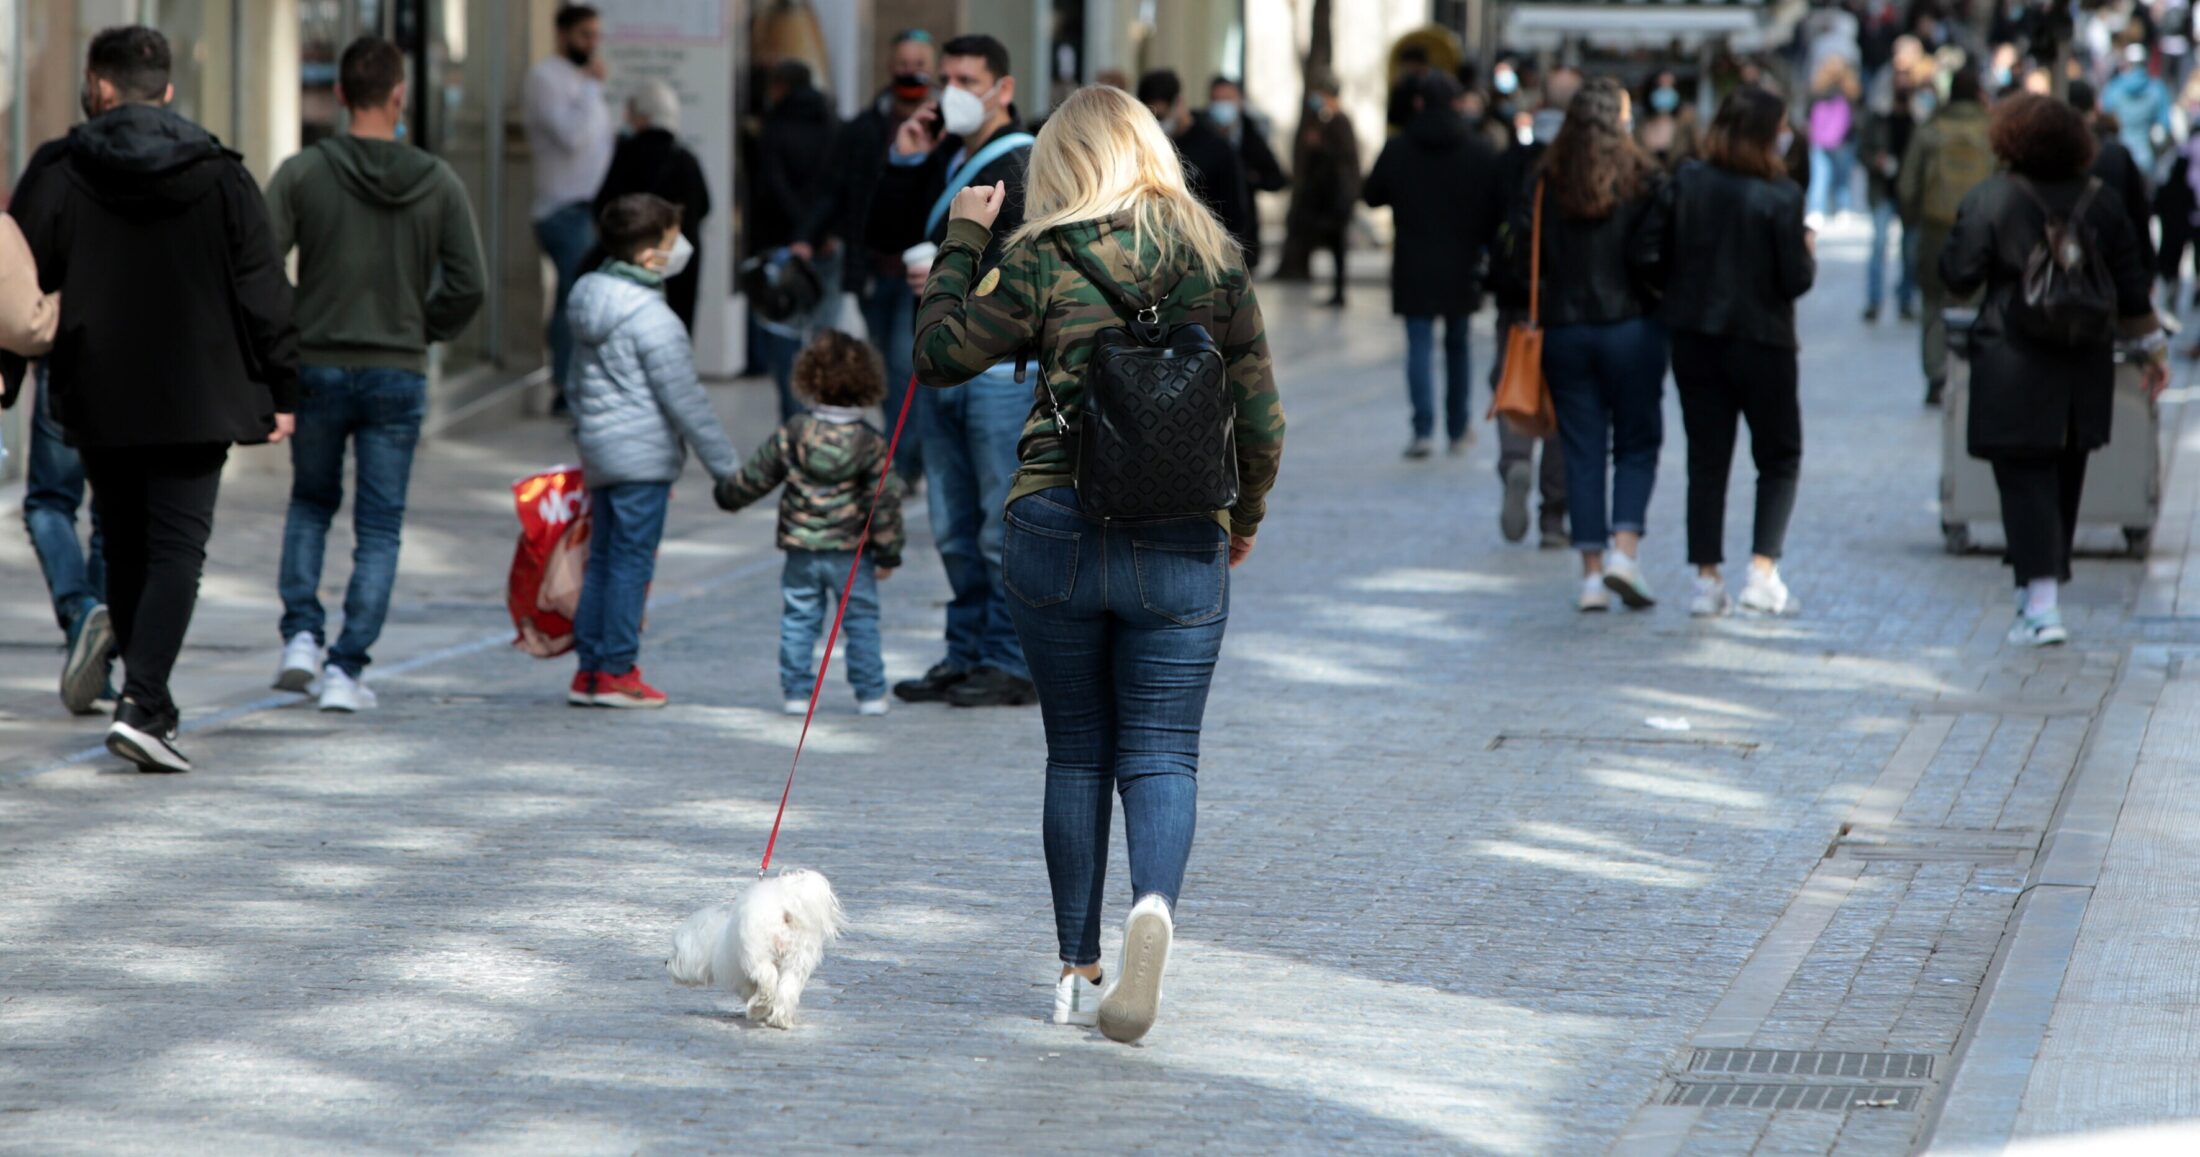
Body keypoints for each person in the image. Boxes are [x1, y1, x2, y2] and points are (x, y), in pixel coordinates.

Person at [911, 83, 1284, 1045]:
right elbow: (1260, 415)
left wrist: (962, 238)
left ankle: (1075, 962)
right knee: (1162, 751)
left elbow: (943, 354)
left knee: (1076, 749)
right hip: (1181, 536)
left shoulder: (1039, 254)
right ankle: (1151, 907)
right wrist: (1241, 516)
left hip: (1056, 525)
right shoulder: (1216, 259)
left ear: (1060, 162)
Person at [11, 25, 298, 771]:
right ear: (166, 90)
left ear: (99, 86)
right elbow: (264, 288)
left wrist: (8, 374)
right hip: (197, 391)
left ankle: (148, 700)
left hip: (98, 387)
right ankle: (144, 703)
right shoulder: (221, 174)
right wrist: (284, 384)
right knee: (176, 546)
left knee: (126, 537)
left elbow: (21, 283)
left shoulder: (59, 169)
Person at [263, 36, 487, 713]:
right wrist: (425, 325)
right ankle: (346, 669)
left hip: (319, 363)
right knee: (380, 526)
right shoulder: (438, 181)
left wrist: (292, 327)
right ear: (398, 96)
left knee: (310, 503)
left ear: (337, 94)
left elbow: (261, 267)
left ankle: (301, 635)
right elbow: (469, 283)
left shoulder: (303, 173)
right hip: (396, 369)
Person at [1939, 93, 2167, 647]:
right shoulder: (2103, 201)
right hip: (2082, 362)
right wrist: (2153, 351)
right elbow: (2133, 285)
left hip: (2011, 359)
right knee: (2065, 472)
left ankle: (2041, 603)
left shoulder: (1991, 198)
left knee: (2022, 477)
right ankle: (2036, 592)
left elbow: (1958, 275)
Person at [875, 33, 1040, 708]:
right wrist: (903, 160)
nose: (952, 93)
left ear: (1002, 89)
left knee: (999, 524)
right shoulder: (949, 159)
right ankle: (965, 649)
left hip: (997, 371)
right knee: (951, 523)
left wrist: (950, 275)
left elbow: (1028, 274)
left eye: (967, 80)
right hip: (947, 363)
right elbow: (881, 239)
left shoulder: (1025, 164)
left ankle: (1009, 656)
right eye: (946, 79)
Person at [564, 194, 742, 708]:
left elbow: (574, 381)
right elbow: (686, 401)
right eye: (670, 241)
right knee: (630, 565)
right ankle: (618, 670)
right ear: (648, 257)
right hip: (642, 459)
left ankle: (590, 672)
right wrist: (727, 470)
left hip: (600, 452)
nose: (680, 248)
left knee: (601, 561)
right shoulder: (653, 319)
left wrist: (586, 433)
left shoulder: (584, 298)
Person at [1511, 77, 1670, 612]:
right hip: (1632, 328)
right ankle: (1625, 552)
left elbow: (1519, 254)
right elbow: (1657, 254)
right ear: (1620, 120)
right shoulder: (1643, 176)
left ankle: (1591, 577)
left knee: (1580, 448)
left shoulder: (1546, 177)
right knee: (1636, 441)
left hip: (1564, 331)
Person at [1664, 88, 1817, 619]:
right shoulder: (1781, 195)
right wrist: (1807, 251)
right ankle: (1762, 571)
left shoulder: (1687, 181)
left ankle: (1706, 580)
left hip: (1696, 337)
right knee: (1779, 456)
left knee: (1707, 459)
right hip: (1763, 340)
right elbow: (1794, 279)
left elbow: (1656, 252)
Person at [713, 329, 905, 717]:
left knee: (800, 619)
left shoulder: (794, 433)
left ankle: (796, 693)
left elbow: (756, 477)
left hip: (801, 548)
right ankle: (871, 694)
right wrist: (888, 552)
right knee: (861, 620)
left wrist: (727, 496)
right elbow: (883, 501)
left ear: (808, 379)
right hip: (852, 553)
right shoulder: (871, 443)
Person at [795, 30, 938, 484]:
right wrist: (806, 236)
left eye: (918, 61)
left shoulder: (948, 128)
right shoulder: (863, 129)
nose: (910, 70)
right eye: (902, 62)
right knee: (887, 365)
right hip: (873, 268)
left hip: (927, 270)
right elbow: (835, 190)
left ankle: (902, 462)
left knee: (903, 363)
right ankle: (903, 454)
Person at [0, 221, 111, 717]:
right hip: (132, 357)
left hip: (67, 366)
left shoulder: (55, 177)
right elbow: (26, 324)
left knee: (50, 502)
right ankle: (93, 638)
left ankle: (83, 615)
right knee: (113, 509)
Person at [1364, 72, 1503, 460]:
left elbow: (1372, 194)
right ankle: (1457, 429)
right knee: (1458, 346)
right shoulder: (1479, 149)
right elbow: (1495, 208)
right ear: (1458, 103)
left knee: (1419, 345)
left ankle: (1423, 429)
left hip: (1414, 260)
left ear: (1419, 103)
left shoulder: (1398, 148)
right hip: (1462, 262)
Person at [1489, 66, 1580, 547]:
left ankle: (1515, 461)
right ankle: (1553, 518)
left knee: (1514, 387)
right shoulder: (1583, 164)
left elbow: (1487, 224)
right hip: (1567, 305)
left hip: (1516, 301)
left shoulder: (1511, 162)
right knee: (1563, 408)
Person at [524, 4, 614, 410]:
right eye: (584, 35)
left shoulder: (581, 80)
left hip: (589, 207)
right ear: (562, 35)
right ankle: (564, 387)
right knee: (573, 300)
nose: (592, 45)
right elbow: (571, 137)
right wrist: (592, 89)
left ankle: (576, 383)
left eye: (595, 35)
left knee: (581, 299)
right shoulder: (546, 78)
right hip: (561, 208)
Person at [1901, 66, 1993, 406]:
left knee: (1933, 302)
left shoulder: (1931, 130)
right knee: (1978, 299)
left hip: (1936, 226)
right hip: (1981, 228)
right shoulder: (1991, 130)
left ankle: (1937, 374)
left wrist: (1912, 219)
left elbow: (1908, 184)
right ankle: (1972, 371)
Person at [755, 60, 842, 421]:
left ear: (780, 87)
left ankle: (795, 419)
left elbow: (772, 187)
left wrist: (798, 235)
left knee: (785, 333)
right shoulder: (834, 125)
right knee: (824, 330)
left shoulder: (773, 128)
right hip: (827, 244)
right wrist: (821, 232)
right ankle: (824, 413)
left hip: (784, 242)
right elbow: (838, 186)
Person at [593, 80, 711, 333]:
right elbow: (705, 207)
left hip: (632, 265)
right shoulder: (686, 160)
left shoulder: (627, 155)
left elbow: (603, 207)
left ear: (645, 116)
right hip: (679, 265)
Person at [1138, 70, 1254, 255]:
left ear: (1179, 103)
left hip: (1206, 253)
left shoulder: (1216, 147)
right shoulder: (1147, 147)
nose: (1159, 123)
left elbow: (1235, 213)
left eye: (1161, 116)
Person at [2068, 80, 2158, 281]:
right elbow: (2138, 214)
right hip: (2113, 262)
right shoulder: (2115, 153)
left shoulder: (2052, 154)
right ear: (2095, 106)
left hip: (2068, 265)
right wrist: (2147, 268)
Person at [1282, 78, 1361, 306]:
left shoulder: (1340, 121)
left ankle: (1339, 289)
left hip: (1336, 198)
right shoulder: (1320, 120)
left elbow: (1343, 159)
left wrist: (1320, 145)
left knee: (1337, 245)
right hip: (1322, 198)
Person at [1859, 40, 1922, 322]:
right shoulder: (1878, 116)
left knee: (1910, 250)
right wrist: (1877, 161)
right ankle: (1875, 300)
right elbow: (1863, 150)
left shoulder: (1920, 117)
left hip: (1909, 194)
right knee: (1879, 244)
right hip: (1883, 189)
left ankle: (1905, 299)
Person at [1204, 76, 1289, 271]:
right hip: (1205, 230)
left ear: (1239, 101)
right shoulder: (1201, 135)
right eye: (1217, 100)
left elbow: (1276, 178)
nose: (1222, 105)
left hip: (1242, 233)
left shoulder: (1251, 134)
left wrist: (1250, 179)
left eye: (1228, 99)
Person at [2102, 44, 2173, 174]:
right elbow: (2164, 127)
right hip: (2146, 160)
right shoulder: (2157, 89)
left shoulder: (2113, 89)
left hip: (2117, 159)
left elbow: (2104, 121)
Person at [1807, 56, 1863, 220]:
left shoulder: (1817, 91)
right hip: (1844, 141)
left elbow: (1808, 115)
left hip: (1821, 140)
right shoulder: (1851, 91)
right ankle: (1842, 208)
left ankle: (1816, 209)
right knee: (1842, 178)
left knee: (1820, 177)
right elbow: (1858, 117)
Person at [1636, 72, 1698, 170]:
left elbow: (1700, 154)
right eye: (1661, 86)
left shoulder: (1686, 123)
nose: (1666, 91)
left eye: (1670, 86)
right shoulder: (1641, 126)